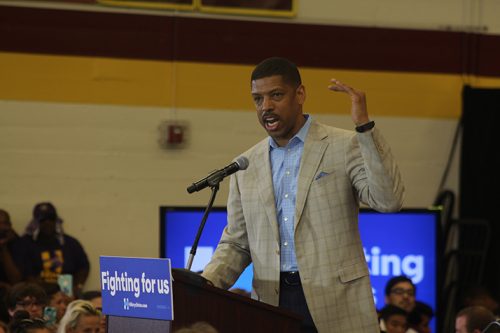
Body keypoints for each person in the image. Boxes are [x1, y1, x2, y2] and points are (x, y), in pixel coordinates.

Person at [201, 57, 404, 332]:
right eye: (257, 99)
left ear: (300, 94)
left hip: (337, 304)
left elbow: (388, 201)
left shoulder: (345, 145)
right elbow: (237, 243)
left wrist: (364, 128)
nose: (266, 107)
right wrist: (205, 284)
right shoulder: (245, 164)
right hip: (272, 305)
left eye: (276, 95)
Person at [13, 202, 90, 296]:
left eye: (51, 219)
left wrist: (77, 286)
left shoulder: (70, 243)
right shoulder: (25, 244)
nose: (47, 223)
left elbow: (83, 266)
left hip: (66, 295)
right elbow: (24, 272)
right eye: (43, 220)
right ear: (35, 222)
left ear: (56, 220)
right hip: (37, 295)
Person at [0, 209, 23, 287]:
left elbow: (16, 280)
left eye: (4, 223)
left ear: (9, 225)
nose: (1, 227)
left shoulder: (17, 243)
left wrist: (4, 247)